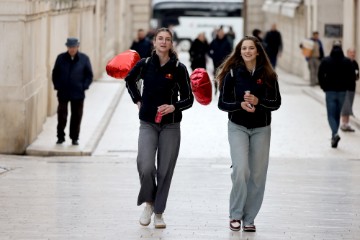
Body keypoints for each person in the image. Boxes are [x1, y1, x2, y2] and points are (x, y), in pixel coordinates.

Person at [124, 28, 194, 229]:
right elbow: (129, 80)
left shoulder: (179, 68)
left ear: (172, 44)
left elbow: (189, 98)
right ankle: (149, 203)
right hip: (147, 123)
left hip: (171, 125)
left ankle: (159, 213)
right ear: (154, 42)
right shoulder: (145, 64)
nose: (163, 42)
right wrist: (137, 100)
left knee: (165, 171)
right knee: (145, 166)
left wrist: (174, 106)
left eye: (167, 39)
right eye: (160, 39)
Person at [216, 35, 281, 232]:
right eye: (244, 48)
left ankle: (249, 218)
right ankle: (235, 214)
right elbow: (222, 104)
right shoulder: (232, 74)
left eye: (251, 48)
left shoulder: (269, 75)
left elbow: (276, 103)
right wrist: (240, 104)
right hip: (238, 127)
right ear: (239, 51)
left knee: (258, 175)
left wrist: (258, 101)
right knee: (241, 170)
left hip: (262, 128)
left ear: (258, 51)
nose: (247, 51)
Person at [52, 38, 93, 145]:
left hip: (78, 93)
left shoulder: (84, 59)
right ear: (67, 47)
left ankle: (74, 138)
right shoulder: (60, 58)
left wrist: (84, 86)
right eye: (70, 47)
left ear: (77, 47)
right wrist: (58, 86)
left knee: (76, 116)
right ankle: (60, 136)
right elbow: (55, 73)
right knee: (62, 116)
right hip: (63, 92)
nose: (72, 49)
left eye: (74, 47)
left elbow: (89, 75)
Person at [318, 41, 355, 148]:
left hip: (330, 91)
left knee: (331, 114)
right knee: (337, 114)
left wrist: (323, 86)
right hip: (342, 91)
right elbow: (351, 76)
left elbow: (320, 74)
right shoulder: (347, 62)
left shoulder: (326, 61)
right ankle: (334, 135)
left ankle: (335, 134)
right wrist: (348, 87)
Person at [340, 48, 359, 132]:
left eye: (354, 52)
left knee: (349, 105)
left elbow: (357, 75)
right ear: (347, 53)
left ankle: (346, 123)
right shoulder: (344, 62)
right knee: (345, 105)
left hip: (352, 87)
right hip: (344, 87)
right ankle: (343, 123)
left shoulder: (355, 63)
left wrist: (355, 76)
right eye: (351, 52)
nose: (353, 54)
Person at [209, 27, 232, 94]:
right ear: (217, 34)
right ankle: (216, 88)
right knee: (216, 75)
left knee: (223, 76)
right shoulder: (214, 41)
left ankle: (221, 89)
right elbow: (209, 49)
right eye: (220, 33)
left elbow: (230, 51)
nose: (221, 34)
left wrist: (227, 58)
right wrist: (212, 56)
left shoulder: (227, 41)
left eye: (222, 33)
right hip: (215, 61)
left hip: (224, 62)